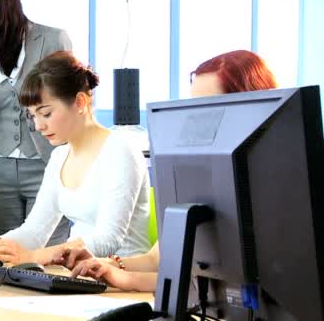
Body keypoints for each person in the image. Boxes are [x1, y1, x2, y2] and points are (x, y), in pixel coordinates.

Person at [53, 49, 278, 292]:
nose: (197, 118)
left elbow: (221, 285)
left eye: (209, 107)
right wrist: (107, 265)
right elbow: (157, 259)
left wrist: (125, 279)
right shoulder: (201, 174)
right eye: (193, 108)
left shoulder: (276, 184)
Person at [0, 51, 151, 265]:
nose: (38, 125)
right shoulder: (60, 156)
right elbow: (35, 230)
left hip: (122, 277)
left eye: (46, 113)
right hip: (78, 274)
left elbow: (108, 240)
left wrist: (36, 256)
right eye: (33, 115)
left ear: (80, 102)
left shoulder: (121, 150)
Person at [0, 0, 72, 245]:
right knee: (3, 254)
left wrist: (74, 160)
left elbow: (71, 106)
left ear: (1, 3)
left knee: (49, 253)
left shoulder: (53, 39)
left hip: (46, 164)